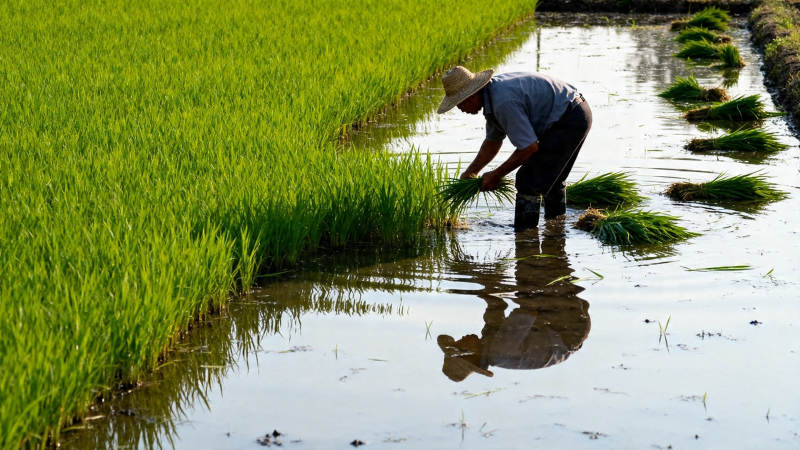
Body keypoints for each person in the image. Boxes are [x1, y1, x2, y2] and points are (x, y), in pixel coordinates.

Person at [436, 66, 592, 231]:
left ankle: (525, 237)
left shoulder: (503, 102)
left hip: (570, 119)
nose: (460, 109)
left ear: (471, 96)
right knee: (550, 180)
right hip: (574, 112)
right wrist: (471, 172)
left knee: (527, 180)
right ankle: (556, 231)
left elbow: (528, 148)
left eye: (459, 103)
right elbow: (493, 142)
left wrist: (496, 175)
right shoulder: (492, 96)